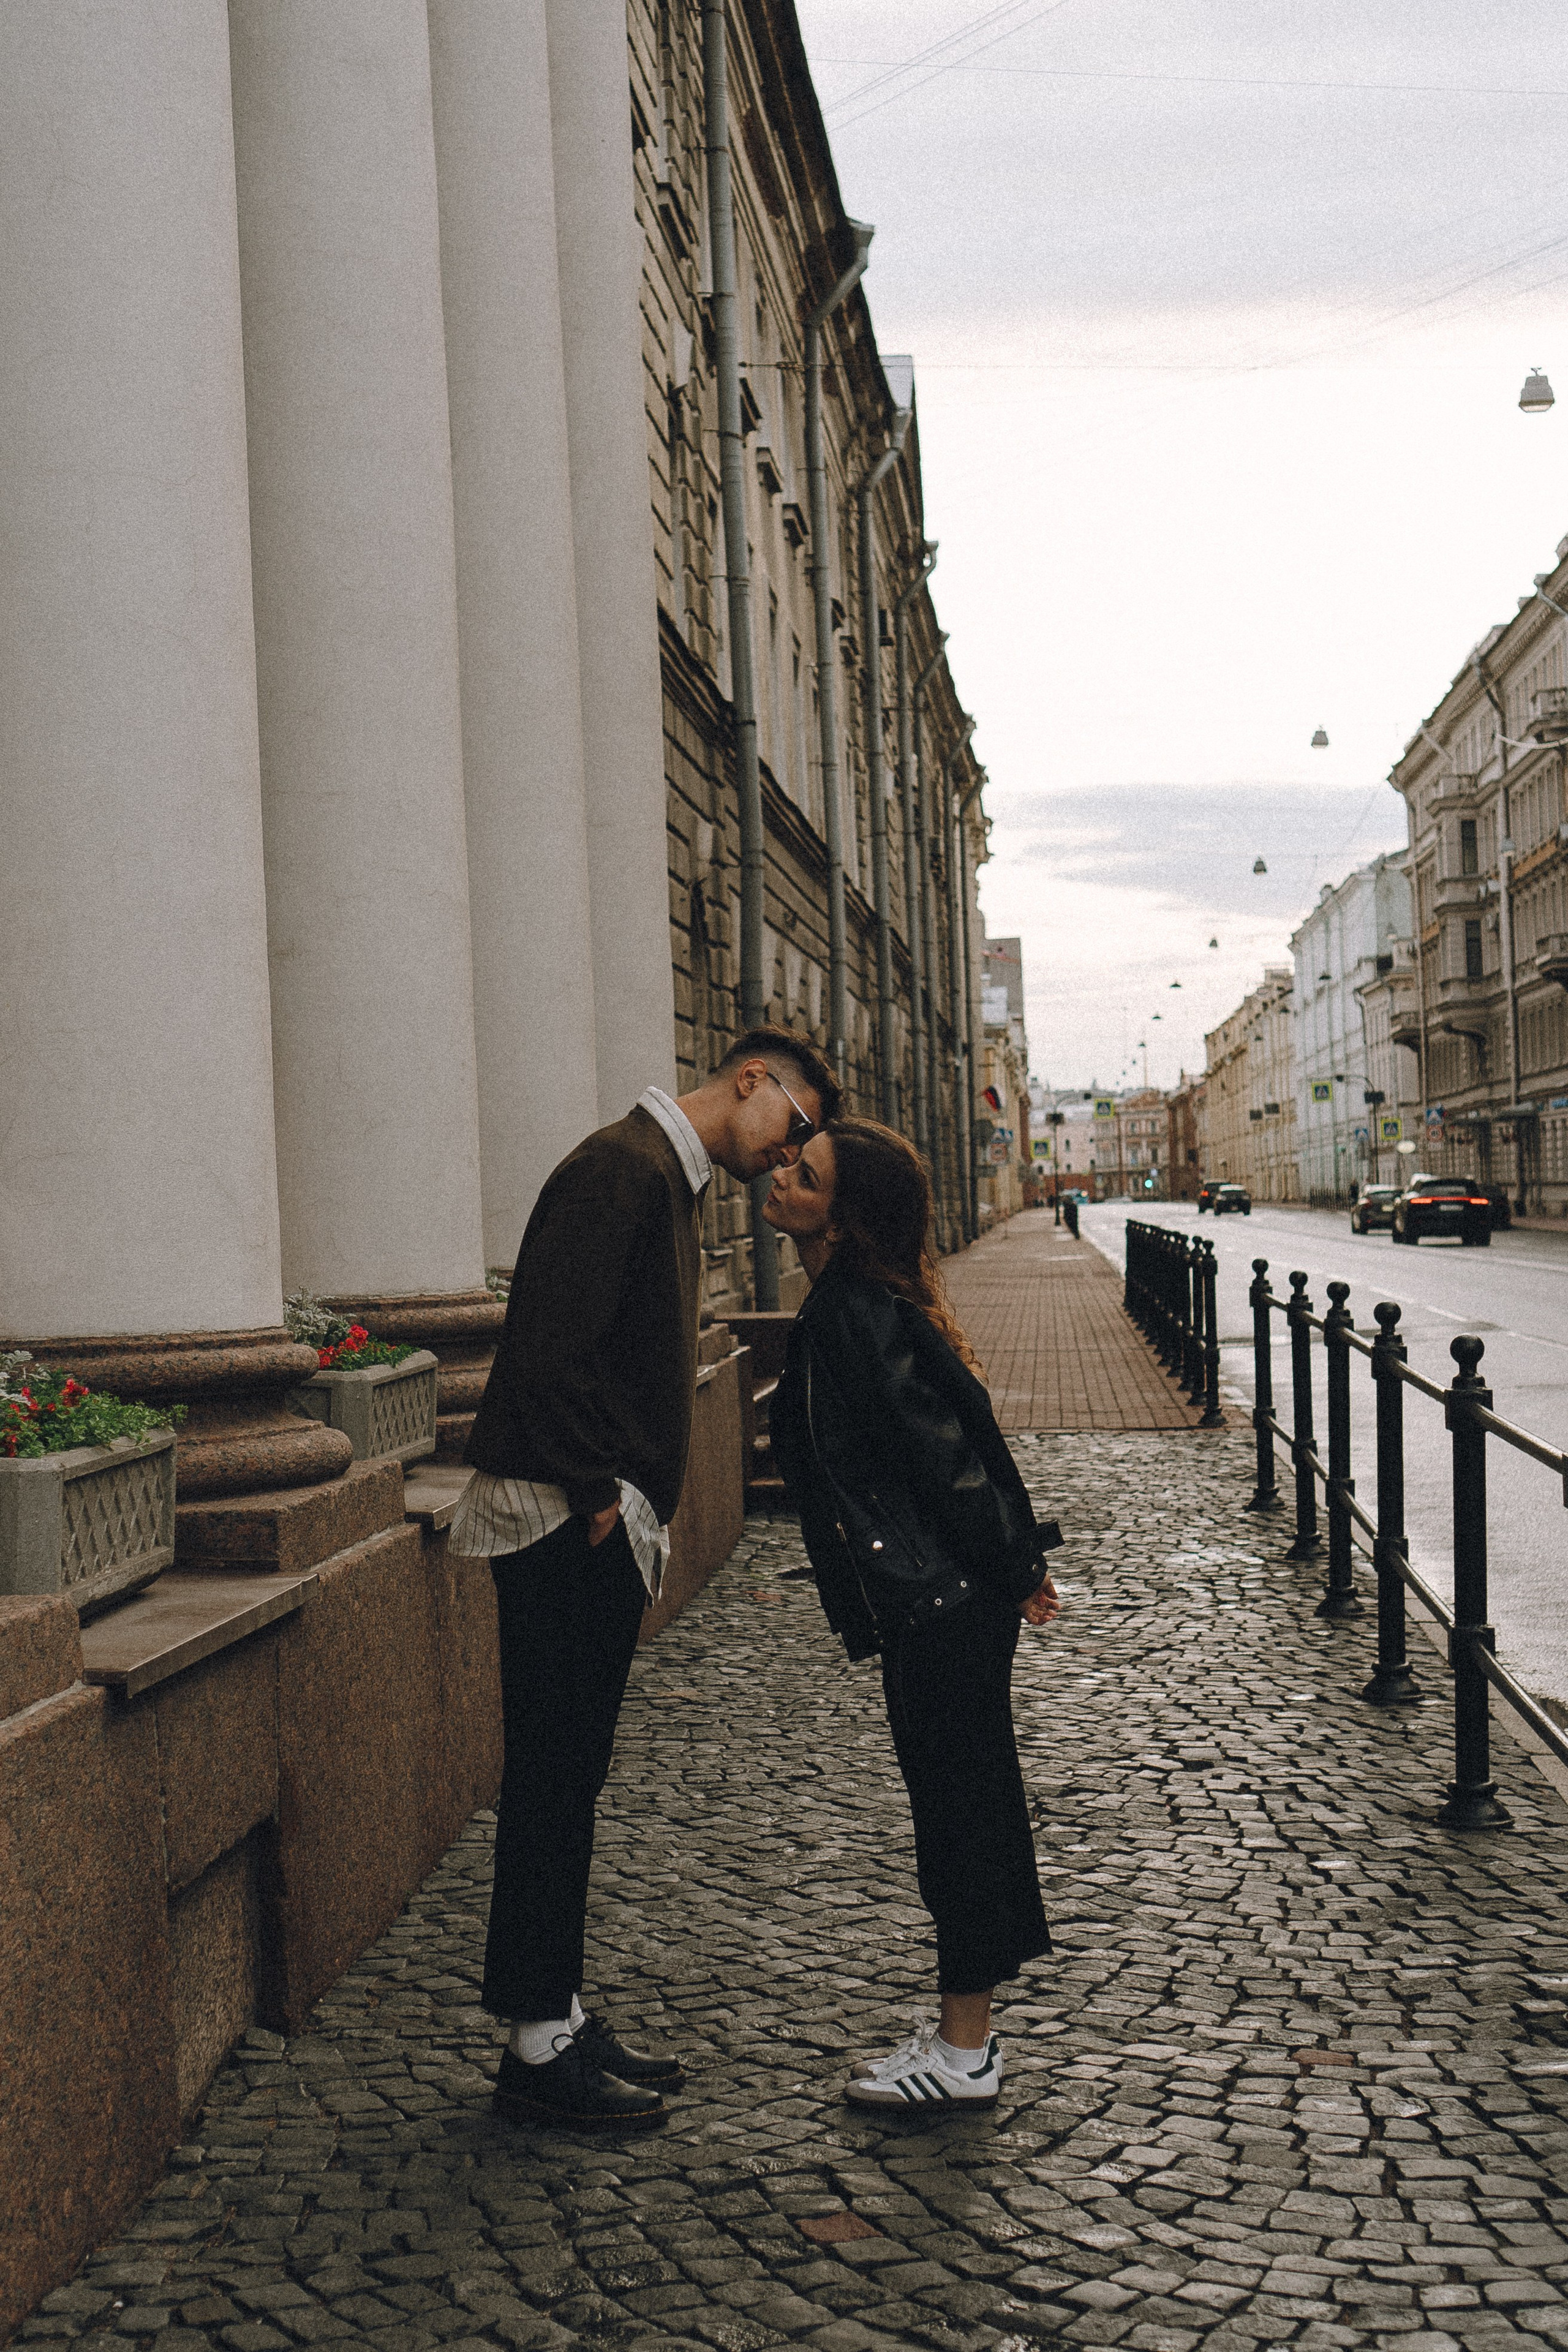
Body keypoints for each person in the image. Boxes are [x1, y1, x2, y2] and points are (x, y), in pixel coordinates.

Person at [453, 1029, 839, 2130]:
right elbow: (545, 1353)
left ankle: (557, 2015)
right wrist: (595, 1495)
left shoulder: (663, 1177)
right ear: (753, 1082)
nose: (791, 1154)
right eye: (798, 1127)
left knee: (568, 1782)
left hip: (592, 1523)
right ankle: (536, 2053)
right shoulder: (616, 1170)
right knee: (550, 1782)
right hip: (562, 1526)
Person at [764, 1115, 1061, 2109]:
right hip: (937, 1599)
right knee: (961, 1812)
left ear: (841, 1222)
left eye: (803, 1177)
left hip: (944, 1601)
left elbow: (948, 1459)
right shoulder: (850, 1302)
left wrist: (1013, 1567)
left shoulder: (856, 1311)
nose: (781, 1177)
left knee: (962, 1819)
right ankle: (960, 2035)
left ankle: (965, 2052)